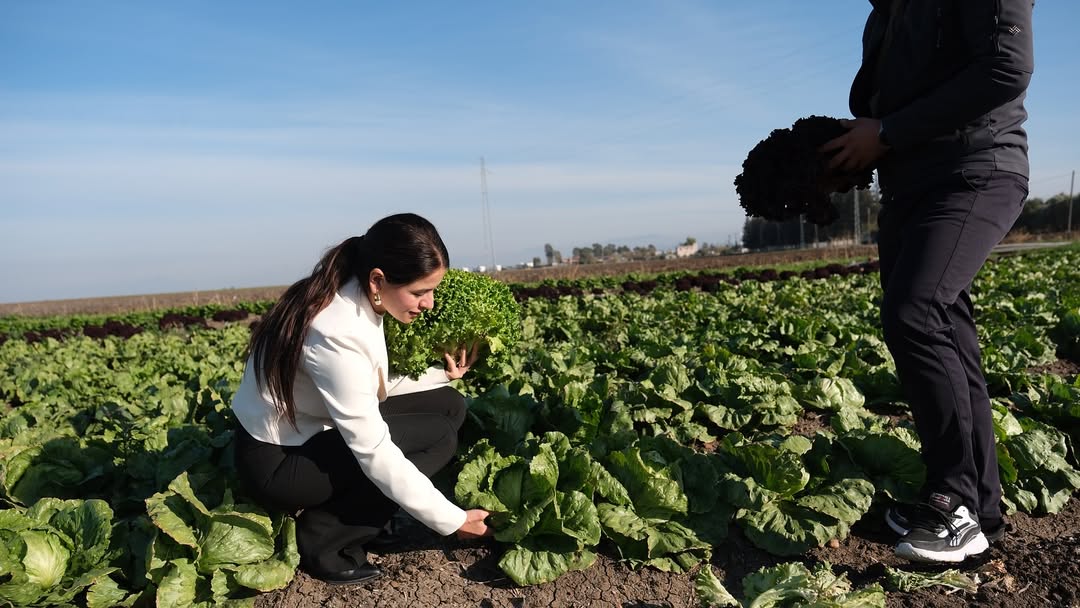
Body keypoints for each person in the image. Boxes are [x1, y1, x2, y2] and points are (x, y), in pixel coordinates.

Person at [822, 1, 1034, 563]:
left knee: (916, 313)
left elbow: (1006, 67)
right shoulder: (887, 12)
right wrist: (848, 152)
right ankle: (979, 510)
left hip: (974, 170)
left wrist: (889, 132)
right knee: (947, 331)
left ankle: (954, 497)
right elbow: (894, 99)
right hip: (909, 186)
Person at [231, 213, 489, 585]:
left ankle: (370, 515)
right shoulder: (334, 331)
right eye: (420, 292)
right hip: (278, 462)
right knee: (438, 437)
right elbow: (373, 451)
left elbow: (363, 386)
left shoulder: (355, 289)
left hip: (306, 430)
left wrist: (441, 376)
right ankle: (324, 540)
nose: (430, 303)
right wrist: (452, 520)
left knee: (449, 404)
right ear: (378, 280)